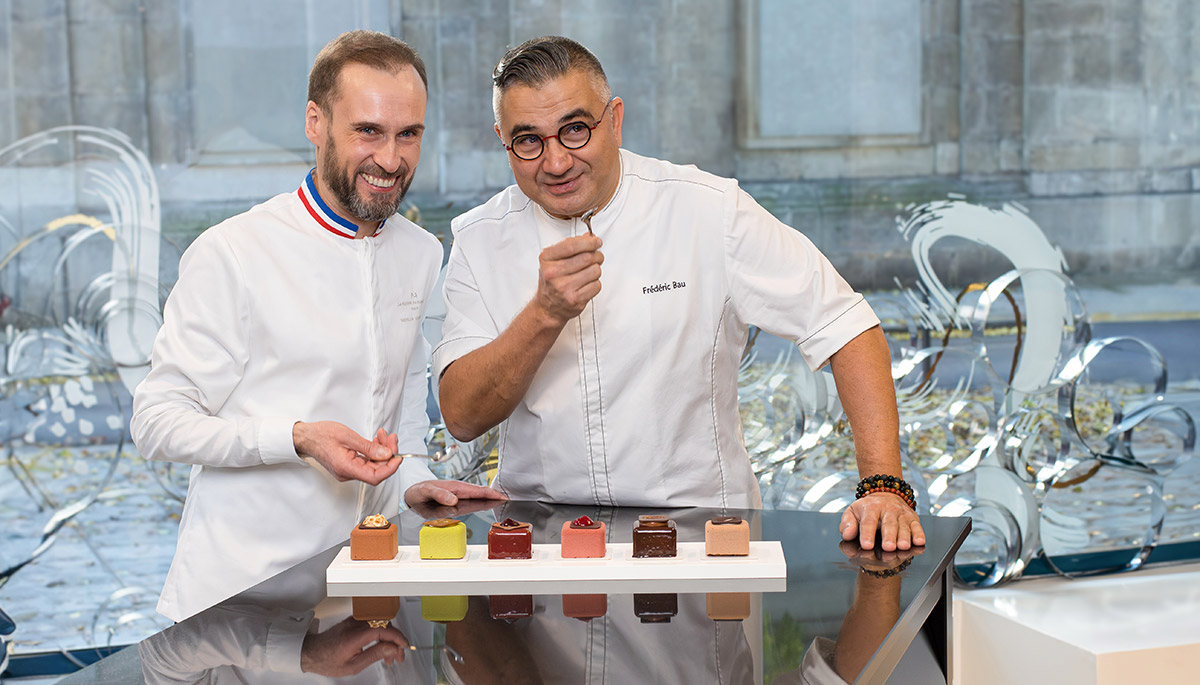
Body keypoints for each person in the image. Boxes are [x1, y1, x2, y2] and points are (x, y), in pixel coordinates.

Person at [433, 36, 922, 551]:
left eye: (575, 130)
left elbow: (844, 326)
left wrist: (884, 487)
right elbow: (463, 416)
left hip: (701, 535)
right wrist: (543, 315)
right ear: (502, 141)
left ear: (614, 119)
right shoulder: (478, 238)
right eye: (528, 140)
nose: (555, 162)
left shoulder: (709, 210)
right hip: (542, 543)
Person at [131, 30, 501, 623]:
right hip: (232, 603)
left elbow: (399, 411)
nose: (390, 158)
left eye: (409, 134)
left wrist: (416, 479)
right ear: (315, 122)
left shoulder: (420, 252)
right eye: (367, 131)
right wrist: (298, 437)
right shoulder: (233, 251)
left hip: (356, 597)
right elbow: (156, 424)